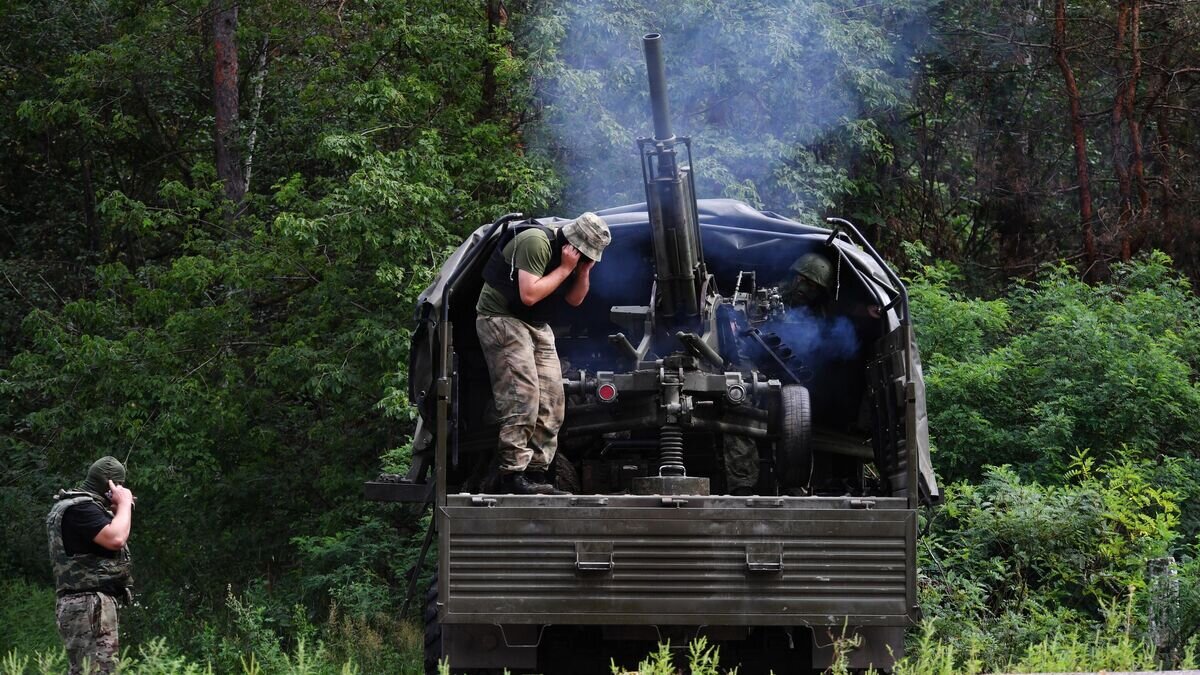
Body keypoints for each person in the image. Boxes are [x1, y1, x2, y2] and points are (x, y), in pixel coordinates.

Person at [476, 212, 611, 495]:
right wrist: (564, 268)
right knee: (522, 397)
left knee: (552, 399)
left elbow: (574, 300)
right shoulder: (536, 242)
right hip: (502, 318)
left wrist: (582, 271)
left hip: (536, 324)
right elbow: (529, 295)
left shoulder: (574, 260)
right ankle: (512, 474)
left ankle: (537, 474)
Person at [724, 251, 840, 495]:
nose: (805, 289)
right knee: (739, 405)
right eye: (803, 281)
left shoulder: (817, 314)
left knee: (795, 414)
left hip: (786, 369)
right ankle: (743, 484)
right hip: (749, 361)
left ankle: (792, 482)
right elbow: (739, 335)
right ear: (794, 277)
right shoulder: (763, 298)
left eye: (813, 286)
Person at [46, 456, 135, 675]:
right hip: (90, 604)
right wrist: (124, 505)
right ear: (111, 487)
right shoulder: (82, 509)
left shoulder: (74, 506)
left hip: (82, 604)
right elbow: (116, 539)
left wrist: (116, 510)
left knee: (88, 670)